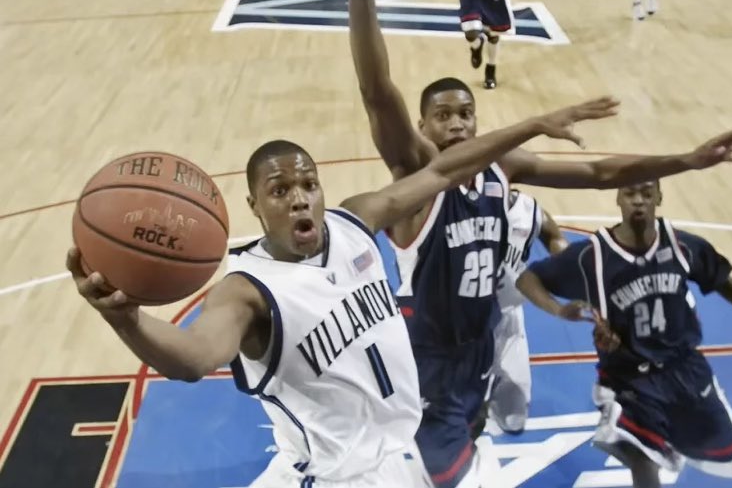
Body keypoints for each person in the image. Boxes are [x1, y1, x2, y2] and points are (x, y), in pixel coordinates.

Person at [321, 0, 732, 488]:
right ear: (424, 129)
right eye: (441, 115)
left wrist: (687, 160)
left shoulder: (502, 166)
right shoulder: (416, 169)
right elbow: (377, 91)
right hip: (429, 351)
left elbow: (602, 172)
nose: (456, 122)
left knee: (470, 441)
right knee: (441, 475)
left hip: (481, 342)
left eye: (465, 112)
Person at [67, 99, 623, 488]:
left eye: (308, 184)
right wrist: (126, 320)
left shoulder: (356, 222)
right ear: (254, 206)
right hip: (331, 477)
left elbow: (448, 168)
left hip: (399, 457)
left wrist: (533, 125)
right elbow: (193, 359)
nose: (300, 199)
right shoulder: (247, 291)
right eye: (280, 190)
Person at [517, 180, 732, 488]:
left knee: (723, 460)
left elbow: (723, 282)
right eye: (630, 192)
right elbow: (528, 279)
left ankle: (661, 443)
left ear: (659, 198)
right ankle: (633, 442)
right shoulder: (593, 256)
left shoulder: (683, 246)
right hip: (628, 377)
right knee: (639, 454)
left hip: (685, 369)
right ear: (618, 198)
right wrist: (559, 310)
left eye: (647, 193)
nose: (638, 200)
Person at [486, 189, 568, 435]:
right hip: (463, 317)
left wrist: (564, 262)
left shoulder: (529, 211)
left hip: (507, 315)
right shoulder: (458, 203)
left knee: (514, 419)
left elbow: (554, 236)